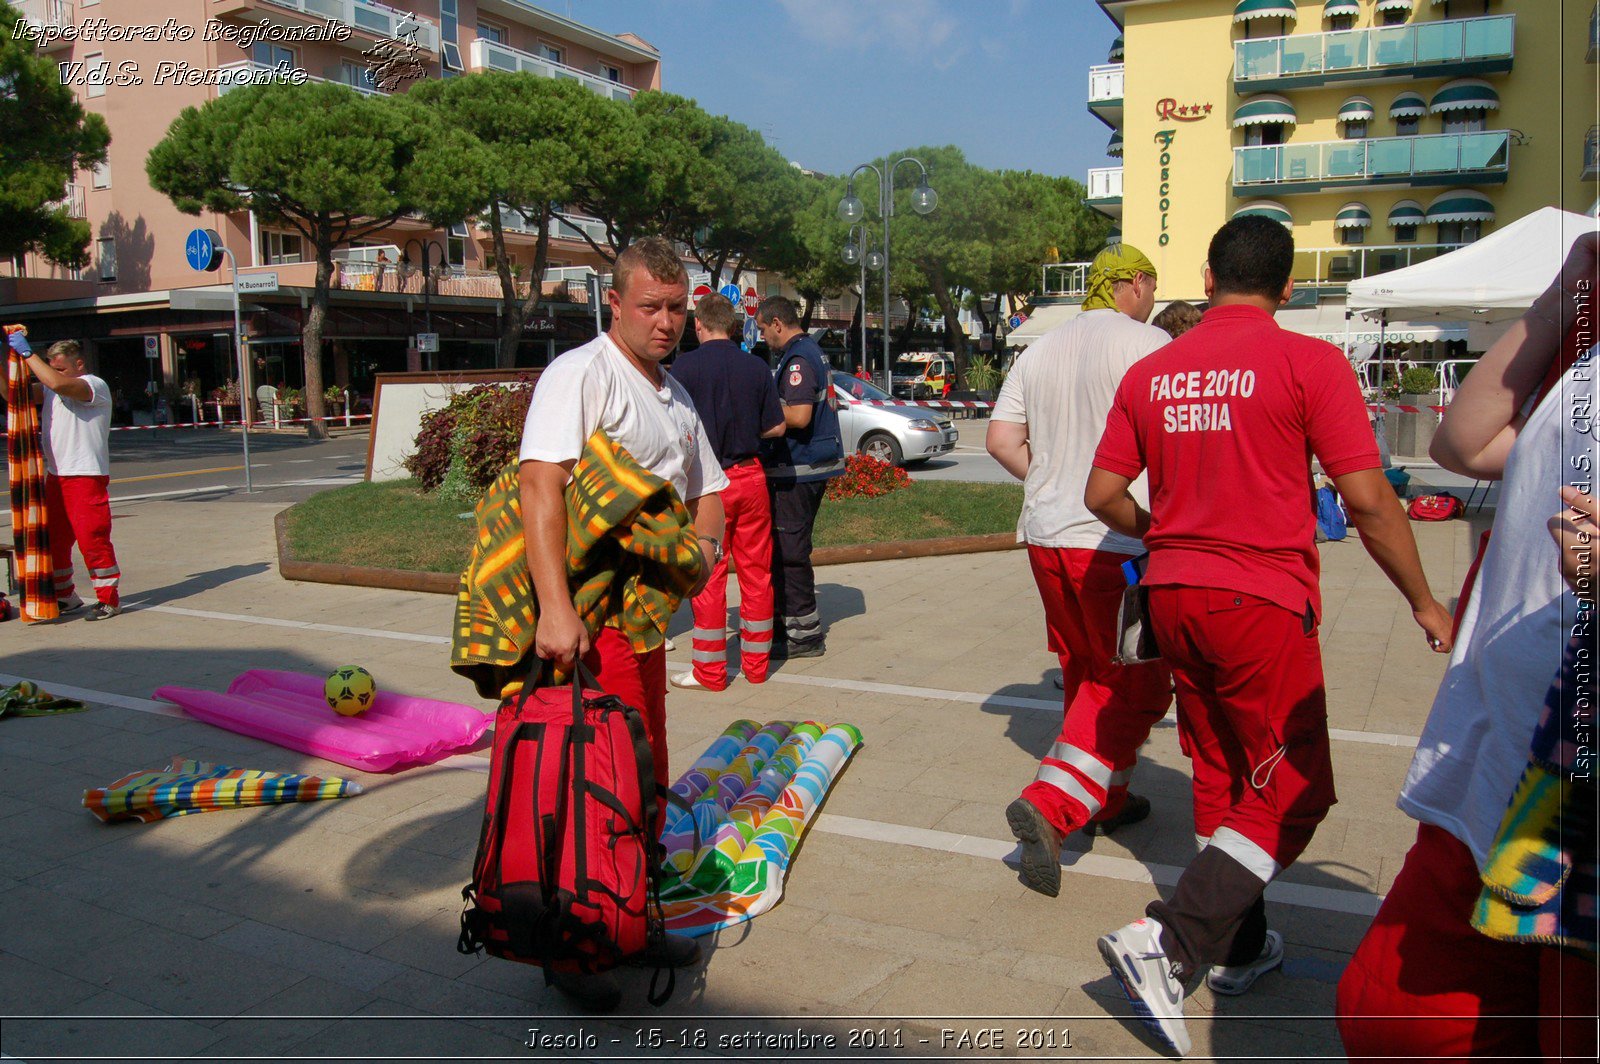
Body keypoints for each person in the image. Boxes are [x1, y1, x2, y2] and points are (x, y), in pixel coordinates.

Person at [1084, 216, 1455, 1056]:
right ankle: (1171, 943)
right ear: (1288, 287)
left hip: (1174, 598)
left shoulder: (1156, 368)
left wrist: (1169, 535)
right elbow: (1366, 499)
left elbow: (1103, 492)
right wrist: (1427, 604)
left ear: (1209, 276)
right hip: (1259, 603)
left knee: (1225, 772)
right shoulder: (1308, 362)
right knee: (1297, 787)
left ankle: (1240, 950)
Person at [1336, 233, 1598, 1060]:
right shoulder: (1586, 344)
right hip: (1506, 769)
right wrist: (1573, 286)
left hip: (1567, 804)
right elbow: (1466, 444)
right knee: (1394, 1017)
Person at [515, 236, 727, 1007]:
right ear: (615, 303)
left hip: (645, 625)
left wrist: (703, 550)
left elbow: (711, 485)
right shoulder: (581, 374)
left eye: (677, 308)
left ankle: (627, 922)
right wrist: (556, 611)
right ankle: (572, 947)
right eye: (651, 307)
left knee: (642, 778)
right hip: (590, 620)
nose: (667, 322)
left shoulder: (674, 393)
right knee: (587, 786)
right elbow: (541, 489)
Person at [987, 243, 1175, 898]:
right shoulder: (1147, 346)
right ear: (1137, 283)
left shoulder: (1040, 350)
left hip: (1046, 536)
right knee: (1141, 683)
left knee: (1085, 671)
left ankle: (1111, 797)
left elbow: (1001, 440)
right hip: (1120, 540)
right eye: (1150, 286)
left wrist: (1049, 478)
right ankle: (1054, 804)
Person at [668, 293, 785, 691]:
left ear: (697, 325)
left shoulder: (682, 368)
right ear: (734, 327)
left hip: (706, 484)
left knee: (708, 575)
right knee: (757, 573)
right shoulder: (756, 368)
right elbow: (778, 427)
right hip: (750, 477)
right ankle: (756, 667)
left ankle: (710, 673)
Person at [7, 334, 121, 620]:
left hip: (85, 475)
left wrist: (27, 354)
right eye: (51, 367)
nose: (54, 373)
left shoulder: (94, 385)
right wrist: (5, 361)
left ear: (79, 364)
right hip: (56, 475)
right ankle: (65, 595)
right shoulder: (50, 388)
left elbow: (58, 383)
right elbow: (11, 393)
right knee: (54, 541)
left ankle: (108, 599)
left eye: (60, 367)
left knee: (92, 539)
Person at [756, 297, 844, 659]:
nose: (763, 337)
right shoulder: (810, 352)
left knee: (791, 552)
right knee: (788, 549)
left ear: (777, 323)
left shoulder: (797, 359)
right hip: (807, 466)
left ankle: (805, 636)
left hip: (801, 468)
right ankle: (790, 627)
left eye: (763, 329)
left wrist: (758, 415)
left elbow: (800, 416)